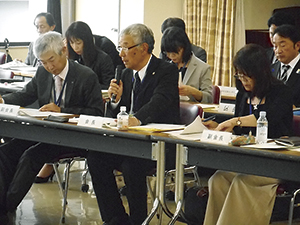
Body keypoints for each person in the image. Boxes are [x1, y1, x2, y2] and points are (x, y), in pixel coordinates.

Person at [0, 31, 103, 224]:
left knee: (31, 156)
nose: (49, 67)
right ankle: (2, 204)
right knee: (5, 152)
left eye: (51, 60)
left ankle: (7, 207)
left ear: (64, 50)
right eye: (43, 62)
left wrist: (62, 110)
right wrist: (3, 100)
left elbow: (96, 112)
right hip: (44, 131)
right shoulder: (43, 72)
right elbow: (26, 94)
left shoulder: (85, 75)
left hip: (73, 137)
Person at [87, 23, 180, 225]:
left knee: (132, 165)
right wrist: (116, 101)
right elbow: (118, 113)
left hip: (160, 145)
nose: (121, 54)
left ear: (143, 48)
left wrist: (135, 119)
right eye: (119, 47)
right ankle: (116, 218)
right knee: (95, 158)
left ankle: (138, 221)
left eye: (125, 48)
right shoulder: (126, 73)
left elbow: (159, 102)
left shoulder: (166, 70)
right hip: (130, 142)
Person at [202, 44, 293, 225]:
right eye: (239, 75)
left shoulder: (281, 92)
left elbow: (269, 116)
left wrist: (235, 121)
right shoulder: (243, 95)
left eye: (246, 75)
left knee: (242, 181)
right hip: (249, 160)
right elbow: (241, 130)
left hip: (276, 162)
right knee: (218, 178)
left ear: (260, 72)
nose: (243, 80)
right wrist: (221, 126)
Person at [161, 26, 212, 103]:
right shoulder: (166, 67)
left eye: (175, 52)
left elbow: (209, 98)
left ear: (184, 47)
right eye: (168, 53)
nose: (171, 56)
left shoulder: (203, 68)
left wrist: (193, 92)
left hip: (191, 112)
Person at [65, 21, 115, 90]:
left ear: (86, 41)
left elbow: (108, 86)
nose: (75, 47)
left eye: (78, 43)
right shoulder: (74, 58)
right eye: (72, 43)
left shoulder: (103, 59)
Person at [271, 24, 300, 108]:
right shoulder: (271, 69)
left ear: (297, 45)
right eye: (275, 46)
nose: (278, 51)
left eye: (283, 45)